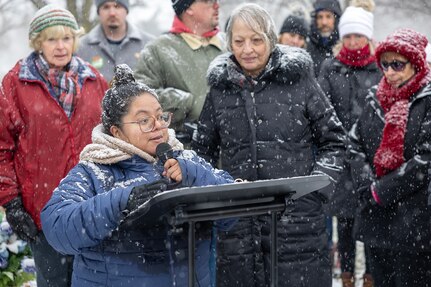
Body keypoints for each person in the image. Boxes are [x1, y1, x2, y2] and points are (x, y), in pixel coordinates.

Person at [192, 3, 346, 286]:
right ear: (229, 44)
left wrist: (315, 190)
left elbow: (334, 140)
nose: (247, 49)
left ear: (271, 40)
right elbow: (202, 151)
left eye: (256, 40)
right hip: (238, 224)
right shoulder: (220, 89)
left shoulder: (299, 80)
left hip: (298, 221)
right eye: (239, 41)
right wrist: (218, 195)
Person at [40, 64, 235, 287]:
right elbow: (57, 227)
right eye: (144, 121)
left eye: (161, 117)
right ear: (116, 131)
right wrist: (124, 201)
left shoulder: (187, 161)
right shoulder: (95, 171)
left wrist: (194, 176)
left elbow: (231, 215)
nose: (158, 126)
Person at [0, 4, 108, 287]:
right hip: (44, 212)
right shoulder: (15, 84)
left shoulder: (95, 82)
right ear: (38, 43)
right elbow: (2, 148)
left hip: (92, 209)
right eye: (51, 39)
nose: (61, 46)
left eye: (67, 38)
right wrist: (11, 203)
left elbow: (113, 139)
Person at [349, 28, 431, 286]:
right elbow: (354, 144)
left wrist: (382, 190)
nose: (390, 72)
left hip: (415, 224)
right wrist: (366, 183)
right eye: (385, 64)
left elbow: (426, 158)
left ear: (416, 64)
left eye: (398, 64)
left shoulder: (426, 99)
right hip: (378, 222)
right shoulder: (375, 98)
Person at [318, 5, 381, 287]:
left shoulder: (379, 67)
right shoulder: (330, 67)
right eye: (349, 36)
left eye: (358, 35)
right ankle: (344, 276)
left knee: (370, 219)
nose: (353, 42)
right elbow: (323, 109)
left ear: (367, 36)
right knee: (342, 222)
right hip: (341, 156)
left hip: (372, 156)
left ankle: (369, 276)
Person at [134, 0, 224, 145]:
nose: (216, 5)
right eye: (208, 1)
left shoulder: (232, 44)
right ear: (188, 8)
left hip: (233, 156)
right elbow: (138, 98)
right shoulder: (157, 50)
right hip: (184, 155)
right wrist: (187, 103)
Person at [77, 0, 154, 81]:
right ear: (98, 11)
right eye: (106, 7)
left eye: (117, 6)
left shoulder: (150, 45)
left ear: (126, 10)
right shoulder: (80, 47)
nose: (112, 13)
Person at [307, 0, 342, 77]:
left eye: (328, 16)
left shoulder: (345, 49)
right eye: (320, 17)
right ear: (315, 20)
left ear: (336, 20)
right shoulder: (306, 48)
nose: (324, 22)